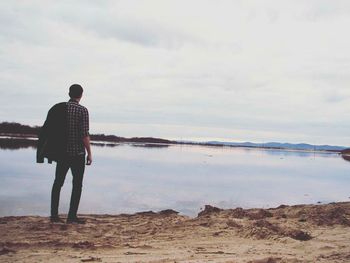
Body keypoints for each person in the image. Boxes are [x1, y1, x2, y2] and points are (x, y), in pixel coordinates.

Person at [37, 84, 92, 224]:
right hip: (78, 154)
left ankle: (54, 216)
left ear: (69, 93)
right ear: (81, 94)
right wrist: (89, 153)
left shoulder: (59, 108)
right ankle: (71, 217)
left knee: (58, 183)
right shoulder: (83, 110)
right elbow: (84, 135)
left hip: (62, 154)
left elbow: (48, 129)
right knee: (77, 184)